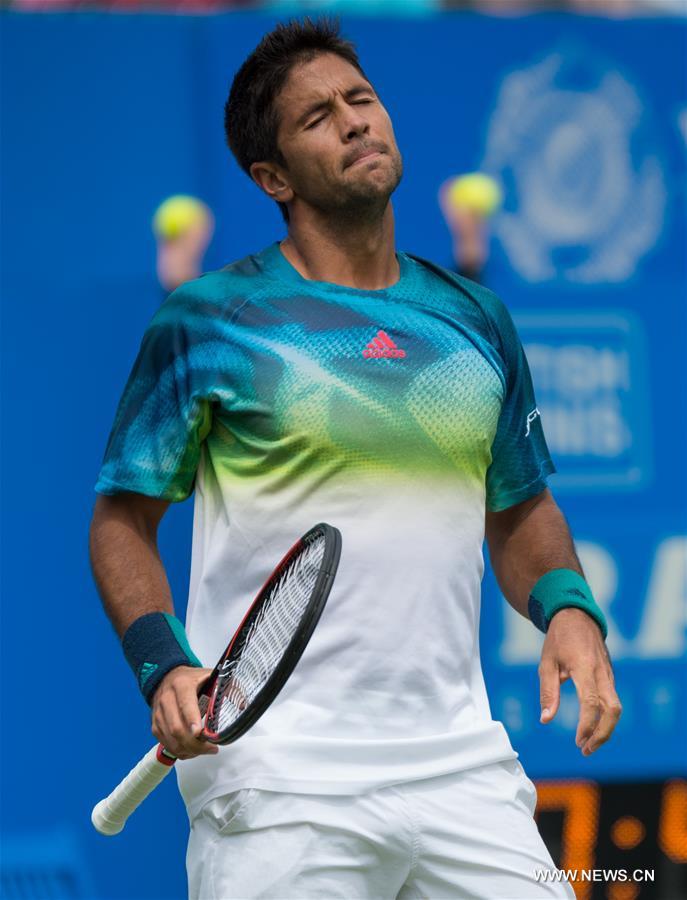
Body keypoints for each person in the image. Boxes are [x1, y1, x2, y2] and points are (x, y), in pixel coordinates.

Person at [90, 18, 621, 899]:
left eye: (360, 99)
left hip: (461, 767)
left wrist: (566, 607)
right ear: (271, 177)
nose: (353, 122)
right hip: (278, 781)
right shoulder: (208, 321)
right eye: (316, 118)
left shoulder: (475, 319)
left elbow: (518, 506)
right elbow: (122, 519)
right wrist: (163, 661)